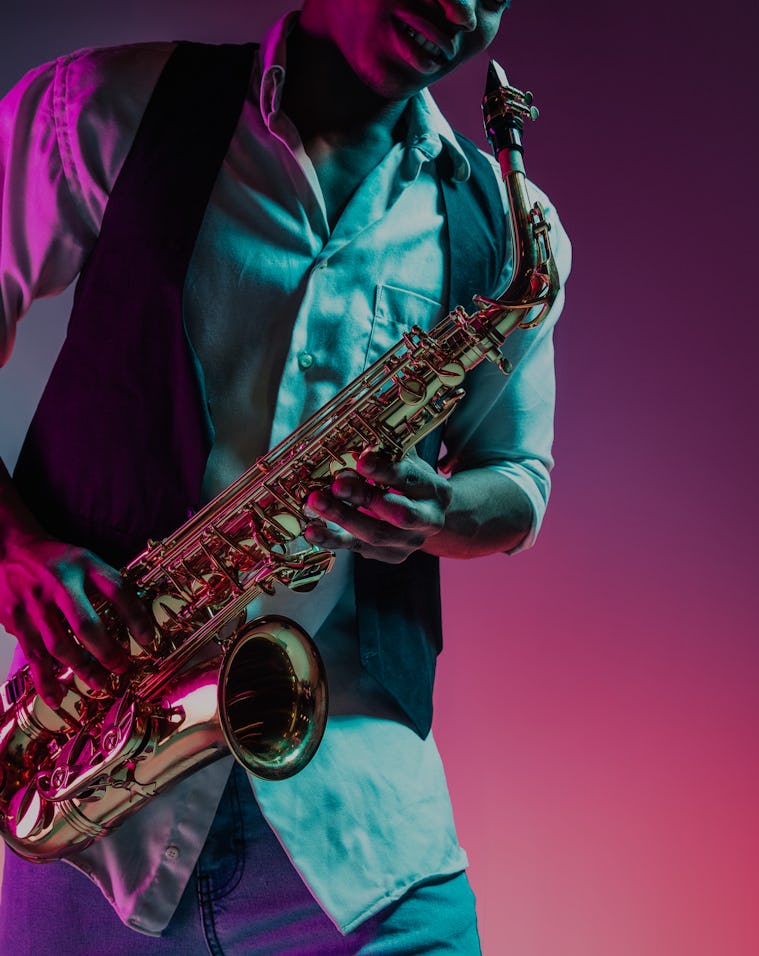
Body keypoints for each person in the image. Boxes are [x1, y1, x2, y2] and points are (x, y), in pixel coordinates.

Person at [0, 1, 571, 952]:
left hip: (359, 823)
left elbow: (519, 484)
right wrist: (13, 548)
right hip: (94, 814)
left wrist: (438, 508)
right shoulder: (105, 109)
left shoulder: (508, 229)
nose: (459, 9)